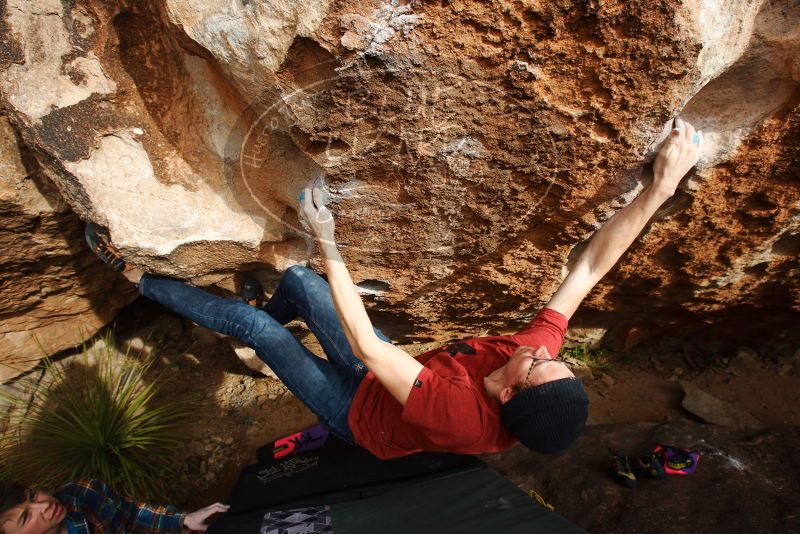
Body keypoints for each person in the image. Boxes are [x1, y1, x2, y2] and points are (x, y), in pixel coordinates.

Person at [87, 119, 701, 459]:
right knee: (299, 283)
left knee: (259, 331)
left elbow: (367, 345)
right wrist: (660, 190)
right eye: (550, 356)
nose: (540, 347)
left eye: (539, 363)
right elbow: (589, 270)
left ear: (512, 392)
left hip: (360, 411)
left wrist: (326, 235)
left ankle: (137, 276)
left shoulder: (465, 419)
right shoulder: (527, 362)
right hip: (397, 373)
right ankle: (258, 304)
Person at [0, 478, 228, 534]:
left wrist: (183, 519)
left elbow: (131, 513)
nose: (44, 506)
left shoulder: (84, 492)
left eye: (32, 495)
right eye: (25, 518)